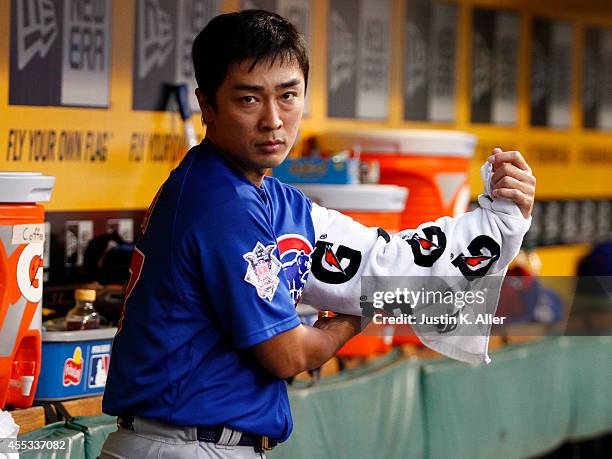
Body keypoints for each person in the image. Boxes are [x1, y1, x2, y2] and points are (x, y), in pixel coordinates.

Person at [100, 9, 535, 459]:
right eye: (249, 99)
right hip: (177, 445)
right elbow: (288, 355)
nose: (273, 119)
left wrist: (502, 219)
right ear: (206, 106)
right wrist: (354, 315)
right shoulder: (219, 201)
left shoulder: (273, 200)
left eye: (288, 95)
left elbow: (389, 264)